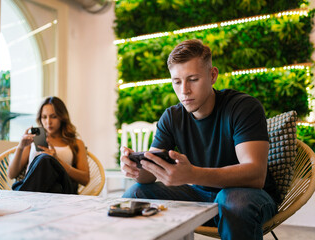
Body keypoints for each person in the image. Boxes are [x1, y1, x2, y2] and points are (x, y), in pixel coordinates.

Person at [120, 39, 280, 240]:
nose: (184, 90)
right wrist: (136, 169)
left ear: (212, 75)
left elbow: (255, 175)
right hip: (198, 195)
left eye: (193, 79)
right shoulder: (171, 117)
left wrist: (192, 174)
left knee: (232, 199)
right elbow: (150, 176)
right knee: (135, 194)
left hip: (250, 196)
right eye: (177, 82)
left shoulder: (243, 107)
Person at [8, 96, 90, 194]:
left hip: (63, 190)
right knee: (46, 166)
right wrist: (20, 147)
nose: (48, 122)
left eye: (53, 116)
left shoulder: (75, 143)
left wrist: (57, 160)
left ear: (62, 117)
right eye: (44, 117)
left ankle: (24, 195)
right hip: (48, 191)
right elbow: (11, 174)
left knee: (45, 159)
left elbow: (85, 179)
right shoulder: (33, 140)